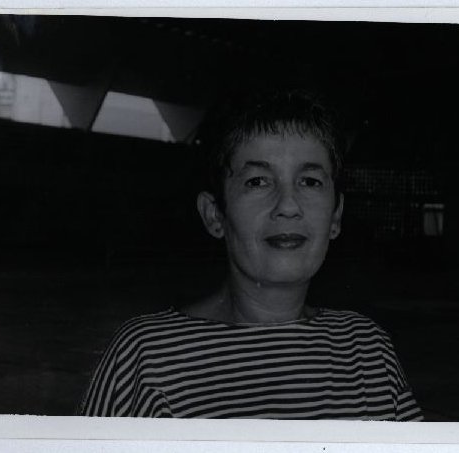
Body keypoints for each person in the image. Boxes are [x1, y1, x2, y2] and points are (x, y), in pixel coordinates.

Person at [79, 89, 423, 421]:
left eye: (310, 181)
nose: (288, 205)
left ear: (335, 216)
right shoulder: (147, 358)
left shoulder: (368, 350)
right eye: (258, 181)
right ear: (215, 215)